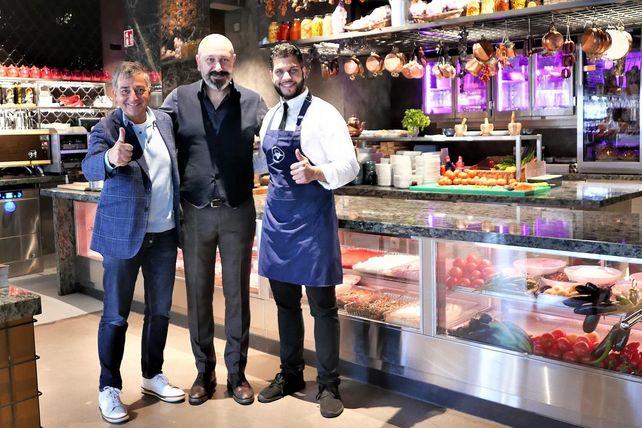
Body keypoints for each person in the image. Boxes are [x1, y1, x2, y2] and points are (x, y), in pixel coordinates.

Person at [161, 34, 267, 406]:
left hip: (238, 210)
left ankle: (237, 374)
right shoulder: (178, 100)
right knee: (198, 294)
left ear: (233, 60)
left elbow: (278, 143)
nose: (217, 67)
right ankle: (203, 373)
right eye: (210, 60)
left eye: (223, 60)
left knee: (238, 295)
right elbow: (153, 137)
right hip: (194, 211)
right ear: (199, 63)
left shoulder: (253, 102)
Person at [256, 43, 359, 418]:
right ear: (272, 74)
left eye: (292, 70)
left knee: (323, 308)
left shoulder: (325, 114)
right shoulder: (270, 117)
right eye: (279, 71)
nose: (286, 77)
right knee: (285, 304)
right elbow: (264, 164)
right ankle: (291, 375)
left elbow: (350, 165)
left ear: (304, 71)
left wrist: (317, 172)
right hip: (278, 221)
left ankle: (329, 385)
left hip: (312, 222)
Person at [81, 61, 184, 424]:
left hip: (164, 234)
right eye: (125, 90)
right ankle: (108, 387)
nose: (133, 97)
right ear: (115, 94)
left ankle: (152, 374)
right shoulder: (106, 127)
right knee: (115, 316)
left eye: (139, 89)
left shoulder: (165, 122)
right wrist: (111, 158)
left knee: (160, 311)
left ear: (149, 90)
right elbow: (89, 166)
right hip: (123, 236)